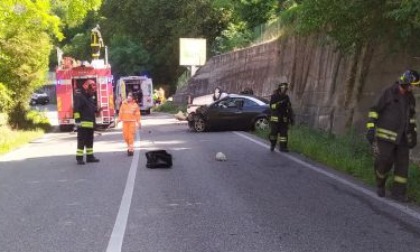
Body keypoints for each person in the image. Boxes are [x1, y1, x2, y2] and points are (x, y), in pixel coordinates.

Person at [366, 69, 419, 202]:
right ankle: (380, 184)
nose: (414, 88)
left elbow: (412, 119)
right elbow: (374, 111)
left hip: (403, 139)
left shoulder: (411, 99)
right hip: (386, 138)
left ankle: (398, 193)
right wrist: (371, 128)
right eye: (413, 85)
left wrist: (414, 136)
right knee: (384, 162)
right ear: (406, 82)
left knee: (403, 167)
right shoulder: (388, 92)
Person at [73, 79, 100, 165]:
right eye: (92, 90)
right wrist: (78, 122)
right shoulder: (79, 97)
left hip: (90, 124)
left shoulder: (90, 98)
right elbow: (76, 110)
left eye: (93, 91)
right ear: (86, 88)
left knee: (89, 141)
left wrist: (97, 110)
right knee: (81, 141)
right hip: (82, 124)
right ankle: (79, 158)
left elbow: (91, 108)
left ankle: (90, 157)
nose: (93, 92)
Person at [269, 82, 295, 152]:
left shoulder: (286, 97)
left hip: (284, 119)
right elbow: (272, 106)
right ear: (280, 88)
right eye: (284, 89)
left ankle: (283, 147)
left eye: (286, 89)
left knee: (284, 135)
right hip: (275, 119)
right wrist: (278, 104)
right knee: (273, 134)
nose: (285, 90)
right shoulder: (274, 96)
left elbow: (289, 108)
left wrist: (291, 118)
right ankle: (272, 144)